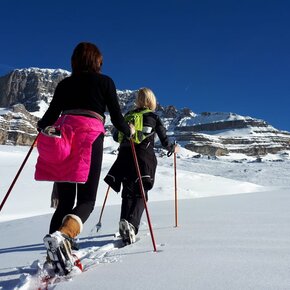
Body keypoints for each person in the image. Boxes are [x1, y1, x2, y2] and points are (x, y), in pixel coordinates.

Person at [35, 42, 134, 275]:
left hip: (64, 137)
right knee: (87, 200)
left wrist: (42, 127)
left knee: (65, 200)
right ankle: (65, 235)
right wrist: (128, 131)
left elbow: (48, 117)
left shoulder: (65, 84)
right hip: (89, 138)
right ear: (96, 61)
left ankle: (53, 254)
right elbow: (117, 118)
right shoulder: (105, 82)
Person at [104, 87, 177, 244]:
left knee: (127, 192)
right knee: (141, 193)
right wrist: (173, 148)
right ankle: (132, 225)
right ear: (152, 101)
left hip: (124, 157)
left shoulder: (128, 116)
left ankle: (124, 221)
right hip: (143, 158)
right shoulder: (153, 117)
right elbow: (164, 141)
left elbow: (117, 136)